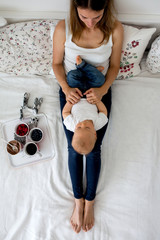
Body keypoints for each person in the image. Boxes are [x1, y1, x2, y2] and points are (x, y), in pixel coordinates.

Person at [52, 0, 123, 234]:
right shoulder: (64, 28)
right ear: (75, 9)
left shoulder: (114, 29)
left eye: (97, 16)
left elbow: (114, 66)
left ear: (106, 8)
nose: (91, 23)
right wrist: (65, 89)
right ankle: (78, 200)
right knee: (74, 148)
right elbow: (56, 63)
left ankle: (90, 201)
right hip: (71, 89)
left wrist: (102, 92)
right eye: (84, 17)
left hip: (98, 90)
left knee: (93, 149)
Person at [62, 55, 108, 155]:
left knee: (71, 75)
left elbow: (65, 112)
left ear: (74, 132)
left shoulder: (71, 125)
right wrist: (97, 101)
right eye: (87, 128)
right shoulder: (99, 123)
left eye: (78, 128)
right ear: (95, 133)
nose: (82, 124)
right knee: (100, 79)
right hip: (92, 90)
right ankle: (86, 67)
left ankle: (90, 71)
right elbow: (103, 111)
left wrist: (70, 102)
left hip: (77, 91)